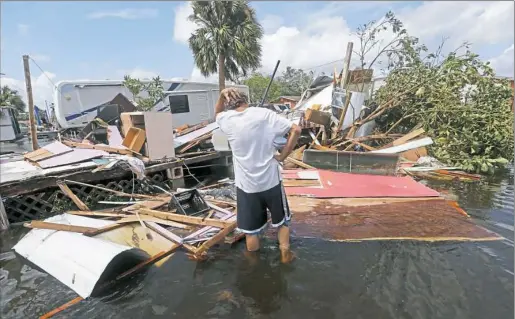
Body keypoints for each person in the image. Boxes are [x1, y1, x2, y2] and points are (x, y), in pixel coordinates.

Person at [215, 87, 301, 263]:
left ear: (229, 104)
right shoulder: (264, 114)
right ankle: (285, 254)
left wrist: (222, 94)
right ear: (246, 100)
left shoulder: (227, 119)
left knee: (251, 231)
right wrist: (283, 156)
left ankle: (254, 266)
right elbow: (296, 130)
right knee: (282, 222)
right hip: (271, 181)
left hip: (247, 187)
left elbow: (216, 113)